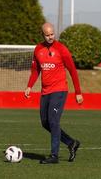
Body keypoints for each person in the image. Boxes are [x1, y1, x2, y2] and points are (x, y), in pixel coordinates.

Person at [24, 22, 84, 164]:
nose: (50, 37)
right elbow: (36, 70)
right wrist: (29, 86)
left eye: (52, 34)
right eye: (47, 35)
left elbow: (73, 70)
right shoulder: (38, 49)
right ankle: (71, 143)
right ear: (42, 35)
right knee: (45, 123)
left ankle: (54, 156)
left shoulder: (61, 49)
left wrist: (78, 92)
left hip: (59, 90)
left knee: (53, 121)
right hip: (45, 91)